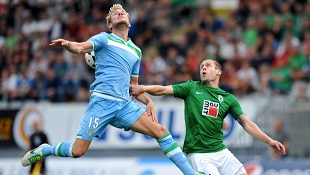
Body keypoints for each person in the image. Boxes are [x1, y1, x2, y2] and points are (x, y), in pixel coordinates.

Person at [21, 4, 204, 175]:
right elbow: (80, 47)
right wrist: (69, 45)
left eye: (123, 11)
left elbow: (134, 86)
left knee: (162, 131)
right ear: (110, 24)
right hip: (101, 103)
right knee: (78, 151)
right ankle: (46, 149)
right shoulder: (103, 39)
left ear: (129, 22)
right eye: (115, 13)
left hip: (125, 105)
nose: (120, 12)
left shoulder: (136, 51)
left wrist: (148, 101)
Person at [130, 59, 286, 175]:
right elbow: (162, 89)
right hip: (199, 154)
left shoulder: (228, 98)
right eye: (201, 66)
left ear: (218, 72)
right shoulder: (191, 88)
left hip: (221, 151)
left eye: (208, 65)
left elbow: (247, 124)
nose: (203, 68)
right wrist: (142, 87)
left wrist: (270, 141)